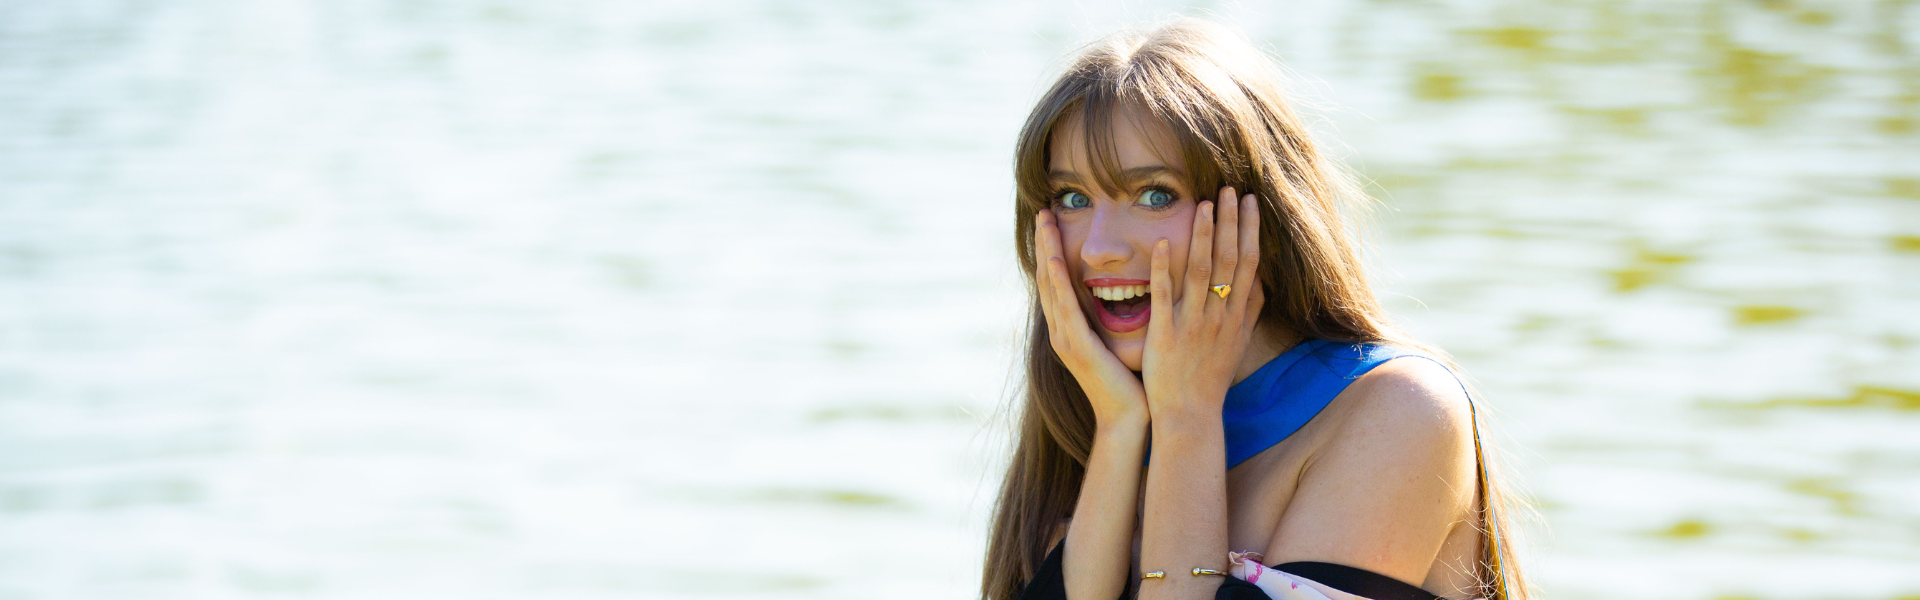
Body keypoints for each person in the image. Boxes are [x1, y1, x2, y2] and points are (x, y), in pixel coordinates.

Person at [980, 19, 1530, 600]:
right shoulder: (1094, 422)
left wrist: (1187, 419)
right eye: (1072, 198)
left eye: (1155, 194)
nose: (1098, 248)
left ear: (1258, 215)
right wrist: (1120, 428)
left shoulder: (1399, 412)